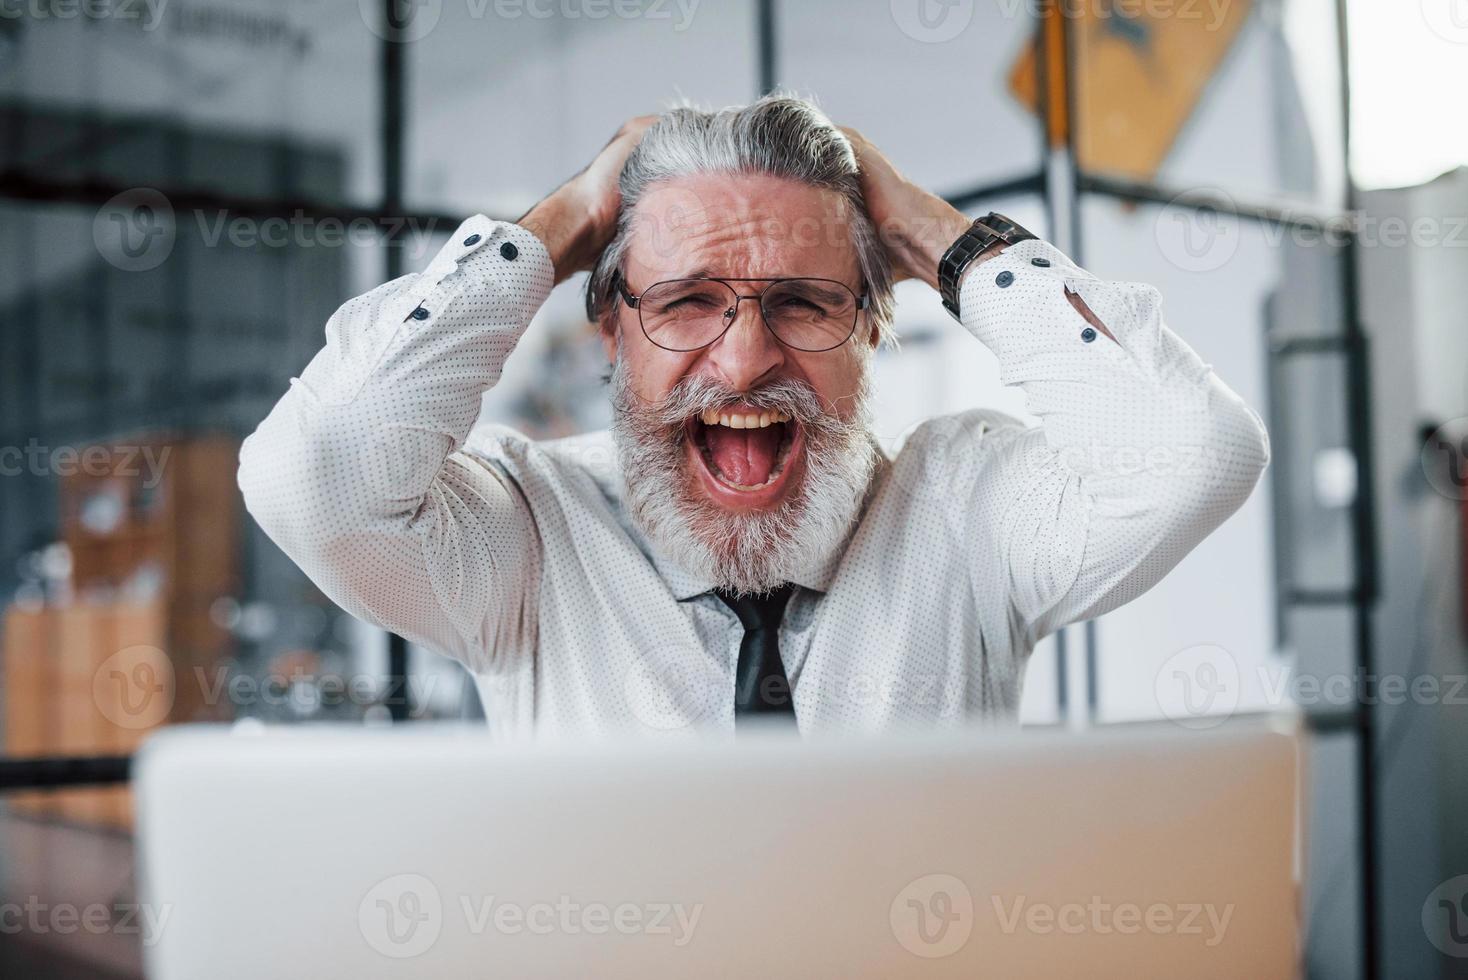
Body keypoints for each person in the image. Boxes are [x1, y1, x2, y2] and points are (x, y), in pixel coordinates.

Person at [238, 95, 1269, 738]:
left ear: (870, 327)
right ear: (611, 331)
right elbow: (308, 475)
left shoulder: (968, 505)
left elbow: (1192, 453)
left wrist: (941, 238)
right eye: (685, 300)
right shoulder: (524, 534)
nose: (743, 360)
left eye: (803, 301)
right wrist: (554, 232)